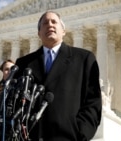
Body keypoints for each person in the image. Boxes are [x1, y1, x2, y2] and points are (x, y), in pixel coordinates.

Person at [13, 11, 102, 141]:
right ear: (39, 33)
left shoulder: (84, 59)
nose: (50, 25)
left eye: (54, 22)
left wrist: (81, 132)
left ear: (63, 31)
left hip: (69, 137)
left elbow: (93, 101)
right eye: (45, 23)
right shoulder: (23, 63)